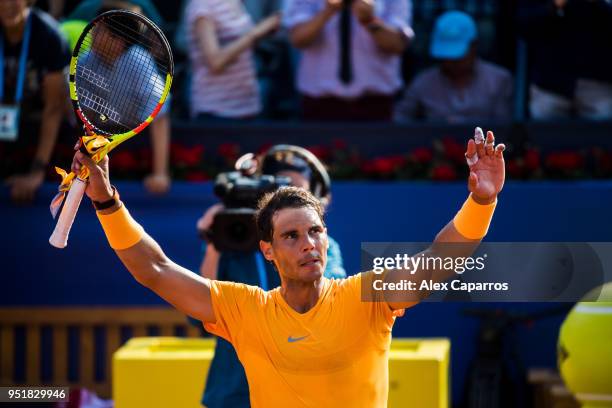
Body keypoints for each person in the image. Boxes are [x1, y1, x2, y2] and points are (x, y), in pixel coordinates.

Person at [70, 124, 505, 406]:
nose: (309, 244)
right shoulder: (246, 310)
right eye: (291, 236)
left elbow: (437, 262)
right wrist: (107, 203)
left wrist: (482, 201)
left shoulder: (365, 297)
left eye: (315, 232)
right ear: (269, 251)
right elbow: (155, 269)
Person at [196, 145, 346, 407]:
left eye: (300, 192)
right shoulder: (230, 241)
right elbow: (199, 317)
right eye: (281, 194)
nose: (292, 202)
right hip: (234, 396)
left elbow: (324, 307)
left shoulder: (324, 247)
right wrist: (213, 242)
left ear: (318, 198)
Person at [284, 0, 413, 121]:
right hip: (318, 103)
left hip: (376, 103)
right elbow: (297, 39)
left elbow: (398, 46)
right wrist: (327, 11)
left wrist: (369, 20)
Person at [0, 0, 69, 203]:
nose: (8, 4)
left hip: (41, 131)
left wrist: (36, 173)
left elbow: (53, 108)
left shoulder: (49, 36)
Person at [395, 11, 513, 123]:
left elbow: (504, 130)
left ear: (474, 46)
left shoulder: (499, 80)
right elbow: (398, 122)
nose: (451, 62)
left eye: (458, 56)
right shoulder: (422, 83)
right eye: (446, 56)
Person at [184, 0, 280, 121]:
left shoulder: (235, 2)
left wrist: (265, 31)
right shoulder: (201, 5)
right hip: (215, 112)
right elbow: (215, 62)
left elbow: (240, 44)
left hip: (248, 107)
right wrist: (257, 32)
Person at [518, 0, 612, 120]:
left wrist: (601, 4)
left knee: (605, 126)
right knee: (544, 126)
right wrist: (555, 5)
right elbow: (523, 25)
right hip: (550, 82)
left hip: (599, 83)